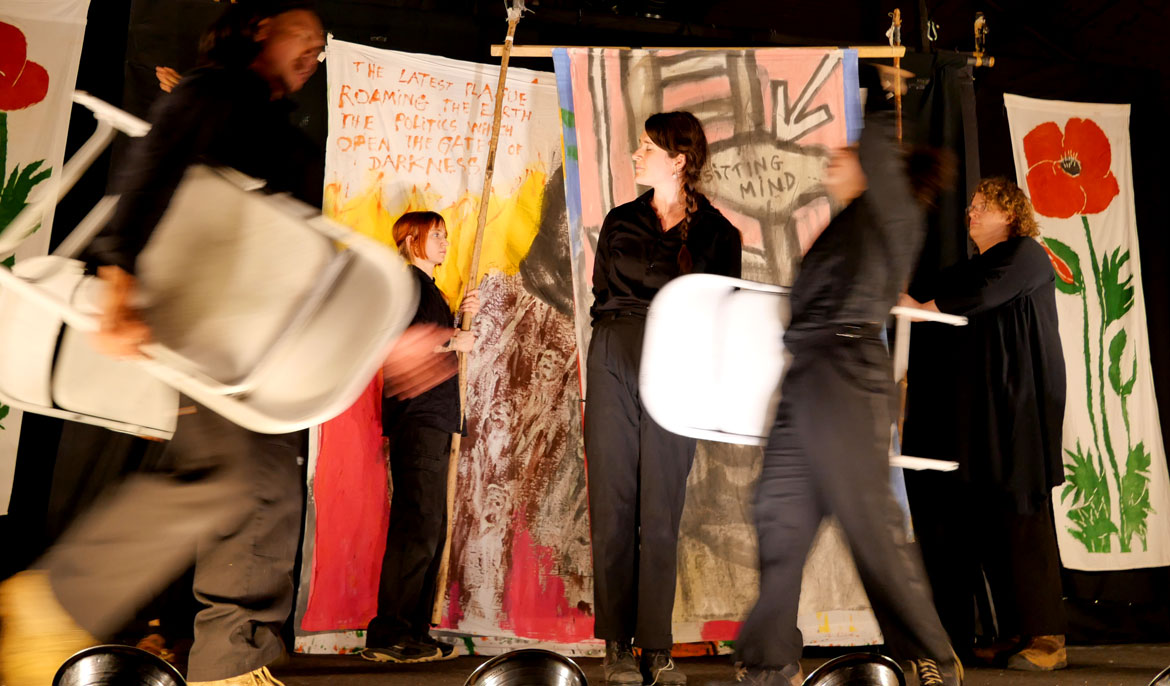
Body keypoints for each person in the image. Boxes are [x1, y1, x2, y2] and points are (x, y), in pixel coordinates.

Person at [0, 4, 456, 686]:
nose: (316, 49)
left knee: (266, 492)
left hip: (258, 349)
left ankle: (232, 664)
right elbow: (150, 169)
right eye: (306, 33)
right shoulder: (215, 90)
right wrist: (119, 282)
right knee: (228, 480)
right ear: (261, 27)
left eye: (322, 45)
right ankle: (56, 604)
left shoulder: (276, 128)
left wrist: (380, 346)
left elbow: (305, 267)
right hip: (213, 333)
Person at [731, 104, 961, 686]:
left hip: (846, 378)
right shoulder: (852, 222)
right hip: (809, 378)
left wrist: (885, 99)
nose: (835, 160)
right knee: (779, 518)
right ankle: (768, 664)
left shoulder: (897, 212)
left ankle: (932, 656)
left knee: (868, 525)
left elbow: (880, 151)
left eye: (848, 154)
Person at [585, 110, 742, 686]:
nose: (636, 153)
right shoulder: (621, 219)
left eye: (647, 146)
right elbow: (603, 291)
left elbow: (726, 312)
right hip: (614, 354)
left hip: (680, 364)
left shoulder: (720, 233)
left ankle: (657, 648)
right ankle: (617, 645)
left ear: (678, 159)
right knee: (613, 504)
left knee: (661, 512)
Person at [899, 177, 1067, 671]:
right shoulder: (977, 266)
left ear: (1010, 214)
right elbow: (948, 288)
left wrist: (925, 310)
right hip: (990, 408)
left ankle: (1049, 637)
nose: (970, 213)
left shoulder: (1027, 255)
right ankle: (1013, 631)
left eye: (982, 206)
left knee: (1022, 510)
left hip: (1023, 404)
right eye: (970, 206)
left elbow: (982, 296)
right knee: (990, 513)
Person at [362, 211, 479, 664]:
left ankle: (414, 631)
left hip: (434, 420)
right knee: (418, 527)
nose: (446, 243)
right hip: (418, 420)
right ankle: (390, 632)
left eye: (447, 235)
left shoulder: (428, 291)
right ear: (413, 240)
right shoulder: (407, 285)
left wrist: (459, 318)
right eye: (438, 236)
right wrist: (453, 339)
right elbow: (397, 345)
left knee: (429, 527)